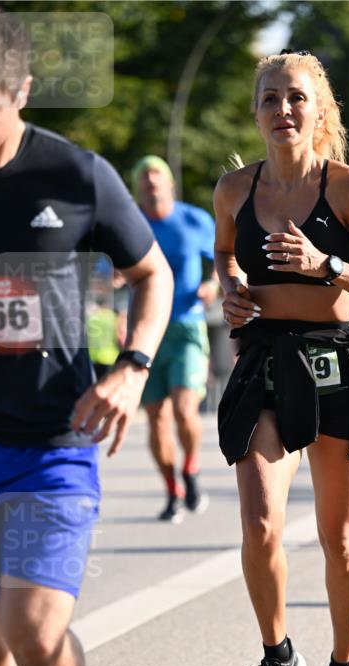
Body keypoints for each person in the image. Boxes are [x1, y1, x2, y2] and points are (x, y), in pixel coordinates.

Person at [0, 3, 173, 666]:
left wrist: (129, 366)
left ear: (23, 94)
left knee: (30, 629)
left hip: (55, 437)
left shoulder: (76, 175)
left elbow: (150, 273)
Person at [213, 50, 349, 666]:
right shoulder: (234, 190)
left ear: (318, 110)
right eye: (270, 98)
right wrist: (231, 296)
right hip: (264, 361)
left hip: (333, 366)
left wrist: (330, 266)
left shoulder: (346, 187)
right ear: (256, 110)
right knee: (260, 524)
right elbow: (225, 261)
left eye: (295, 98)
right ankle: (276, 655)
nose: (282, 110)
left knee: (340, 539)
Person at [133, 155, 218, 521]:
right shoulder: (130, 224)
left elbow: (222, 258)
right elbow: (113, 269)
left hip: (187, 325)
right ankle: (172, 489)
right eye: (144, 176)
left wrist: (212, 284)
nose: (151, 181)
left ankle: (191, 468)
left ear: (169, 183)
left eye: (157, 174)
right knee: (156, 418)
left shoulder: (194, 219)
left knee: (185, 410)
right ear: (137, 187)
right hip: (148, 328)